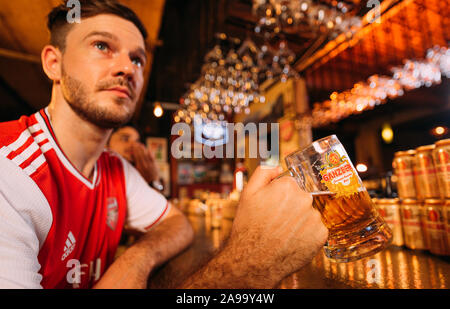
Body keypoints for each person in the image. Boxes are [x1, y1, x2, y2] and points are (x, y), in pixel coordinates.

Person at [0, 0, 328, 289]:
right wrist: (253, 264)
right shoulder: (10, 170)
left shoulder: (113, 169)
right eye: (102, 46)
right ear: (53, 63)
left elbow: (177, 224)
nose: (127, 68)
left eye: (138, 59)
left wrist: (136, 260)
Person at [108, 125, 164, 190]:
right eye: (125, 139)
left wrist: (153, 180)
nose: (134, 145)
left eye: (136, 141)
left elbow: (156, 199)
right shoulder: (99, 174)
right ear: (106, 142)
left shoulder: (136, 175)